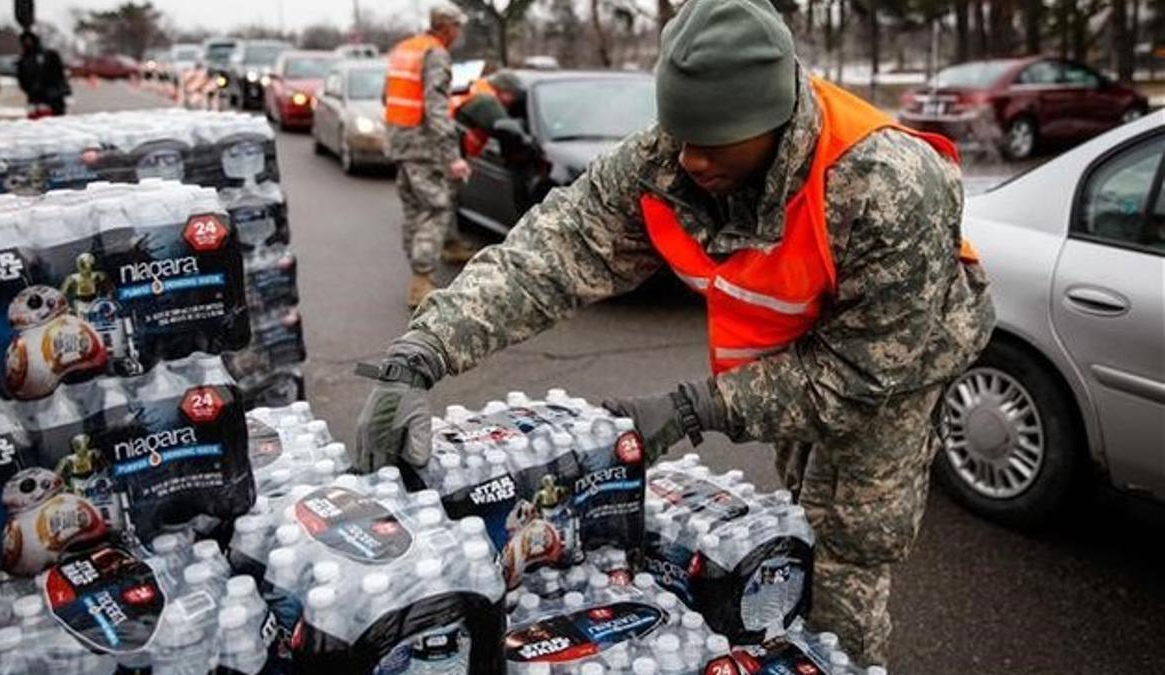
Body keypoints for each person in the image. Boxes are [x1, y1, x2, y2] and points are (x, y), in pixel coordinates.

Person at [356, 0, 994, 665]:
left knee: (846, 544)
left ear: (772, 123)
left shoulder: (887, 184)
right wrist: (421, 352)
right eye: (679, 135)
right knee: (794, 521)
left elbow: (863, 371)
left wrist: (698, 406)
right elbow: (553, 252)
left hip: (892, 357)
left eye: (712, 142)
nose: (690, 159)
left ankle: (845, 658)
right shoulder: (671, 156)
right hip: (793, 343)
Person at [384, 4, 476, 309]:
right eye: (458, 27)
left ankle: (433, 256)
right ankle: (421, 281)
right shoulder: (435, 54)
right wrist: (453, 156)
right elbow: (436, 109)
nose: (459, 34)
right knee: (436, 208)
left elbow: (387, 96)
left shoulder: (405, 49)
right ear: (447, 27)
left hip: (400, 141)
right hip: (424, 146)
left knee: (413, 207)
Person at [16, 31, 70, 117]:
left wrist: (64, 90)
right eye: (25, 41)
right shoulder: (23, 60)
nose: (28, 43)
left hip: (54, 96)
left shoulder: (50, 55)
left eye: (30, 40)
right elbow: (22, 78)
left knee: (57, 121)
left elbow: (59, 74)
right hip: (36, 97)